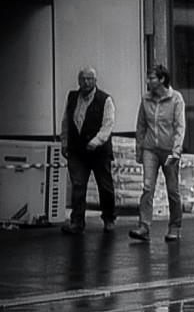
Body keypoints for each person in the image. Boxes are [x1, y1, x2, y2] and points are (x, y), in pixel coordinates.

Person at [130, 65, 186, 244]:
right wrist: (139, 149)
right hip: (150, 149)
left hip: (169, 150)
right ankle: (144, 226)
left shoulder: (175, 99)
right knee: (147, 187)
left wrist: (177, 150)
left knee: (172, 189)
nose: (148, 81)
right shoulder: (146, 99)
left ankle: (175, 226)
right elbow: (141, 127)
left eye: (151, 78)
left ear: (162, 79)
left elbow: (179, 127)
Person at [60, 67, 117, 236]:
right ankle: (76, 222)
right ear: (78, 81)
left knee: (104, 185)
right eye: (83, 79)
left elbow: (108, 124)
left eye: (89, 79)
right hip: (77, 150)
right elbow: (66, 121)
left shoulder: (105, 100)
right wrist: (64, 141)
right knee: (78, 186)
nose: (86, 82)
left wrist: (96, 141)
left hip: (99, 151)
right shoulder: (72, 98)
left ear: (95, 81)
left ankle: (108, 218)